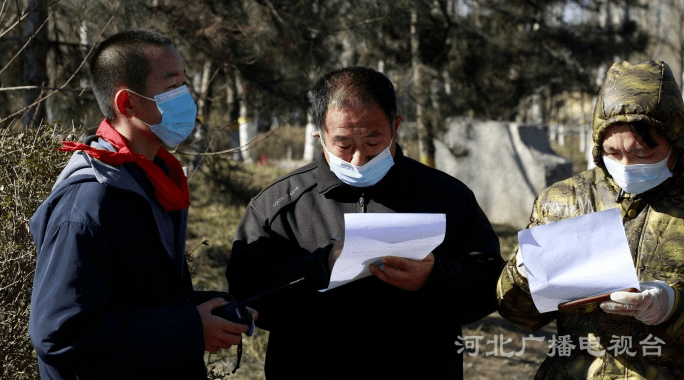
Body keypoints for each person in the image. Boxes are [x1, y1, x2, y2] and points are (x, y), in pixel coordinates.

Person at [226, 65, 504, 380]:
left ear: (396, 127)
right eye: (343, 144)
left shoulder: (448, 198)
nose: (359, 159)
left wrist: (432, 279)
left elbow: (490, 283)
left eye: (374, 141)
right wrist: (322, 268)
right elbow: (247, 291)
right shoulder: (280, 205)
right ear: (319, 133)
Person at [29, 29, 254, 380]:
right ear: (127, 103)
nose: (185, 99)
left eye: (185, 85)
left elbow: (140, 296)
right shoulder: (88, 203)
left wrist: (204, 311)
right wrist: (189, 329)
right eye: (171, 87)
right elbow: (59, 335)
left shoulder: (153, 177)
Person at [497, 60, 684, 379]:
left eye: (642, 154)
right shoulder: (562, 202)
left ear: (674, 141)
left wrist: (671, 304)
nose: (626, 165)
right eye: (613, 152)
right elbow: (521, 316)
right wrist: (523, 275)